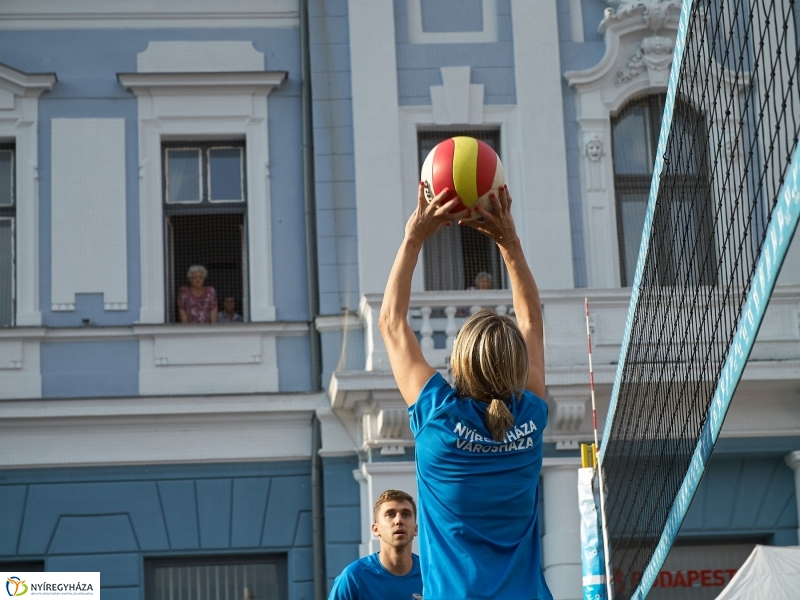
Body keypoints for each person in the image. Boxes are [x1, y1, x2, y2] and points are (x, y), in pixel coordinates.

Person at [379, 184, 552, 599]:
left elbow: (391, 322)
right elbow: (531, 322)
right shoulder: (529, 417)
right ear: (517, 366)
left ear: (458, 363)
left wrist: (415, 236)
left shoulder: (439, 417)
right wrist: (509, 243)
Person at [329, 489, 423, 600]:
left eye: (406, 514)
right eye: (390, 514)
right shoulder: (353, 577)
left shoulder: (430, 575)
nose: (398, 520)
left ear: (415, 529)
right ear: (376, 529)